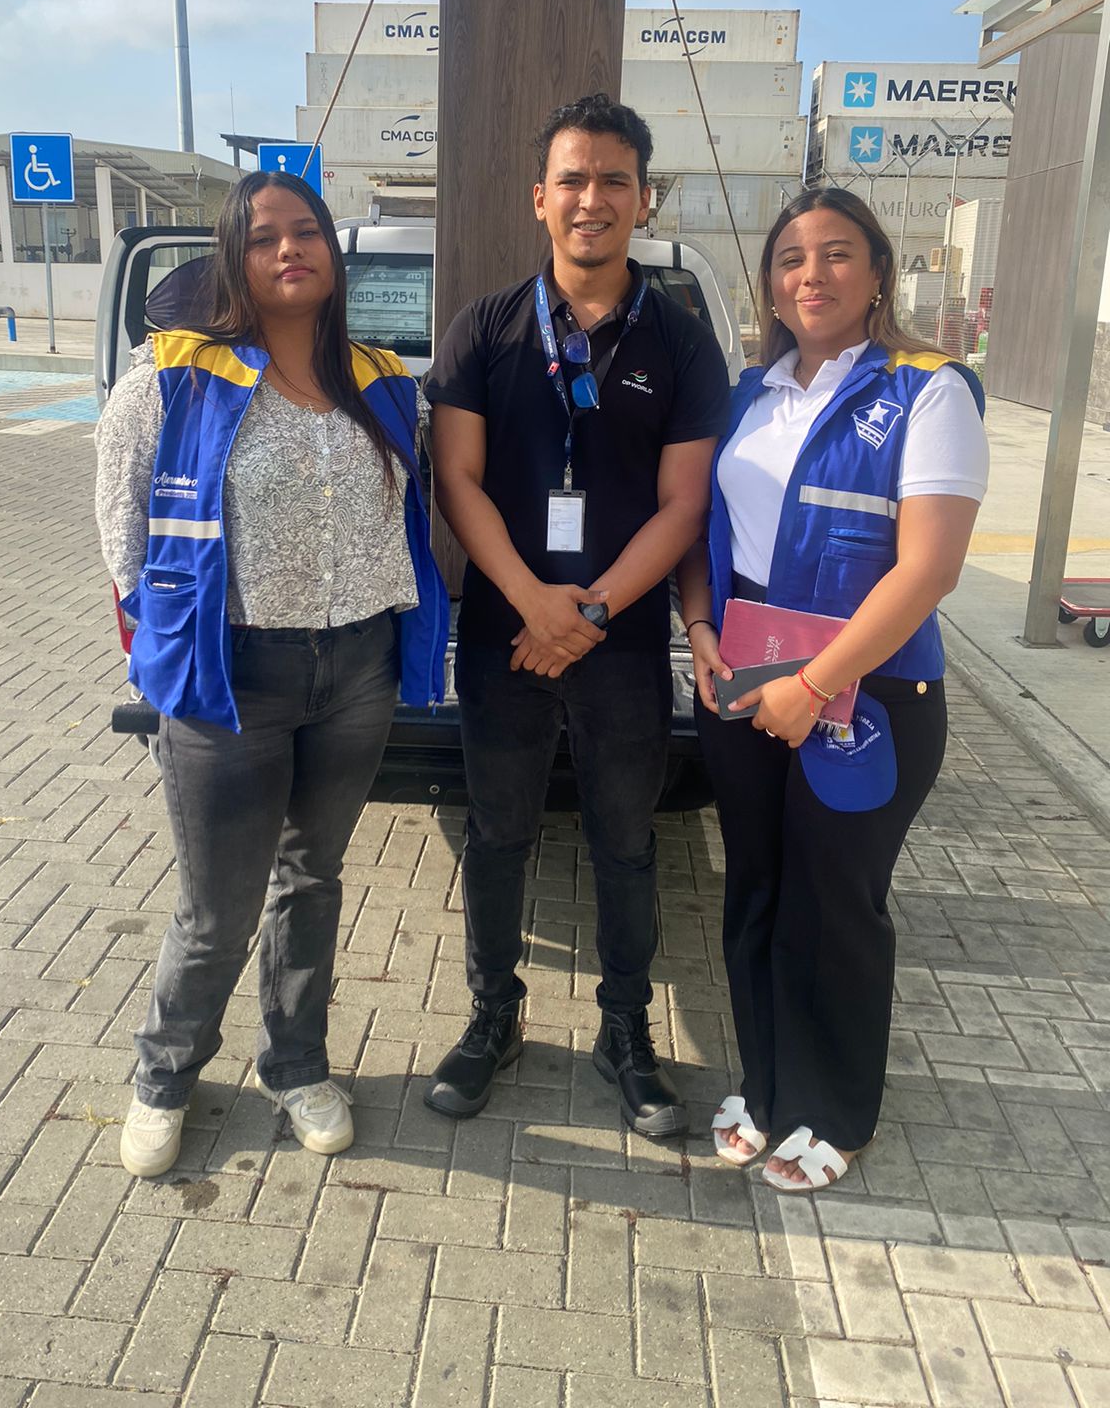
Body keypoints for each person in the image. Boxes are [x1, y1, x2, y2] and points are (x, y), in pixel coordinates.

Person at [95, 171, 447, 1178]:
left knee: (313, 879)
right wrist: (168, 639)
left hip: (358, 669)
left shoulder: (382, 380)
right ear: (233, 258)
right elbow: (124, 532)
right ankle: (164, 1076)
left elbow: (412, 509)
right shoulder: (172, 375)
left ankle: (296, 1064)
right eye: (262, 238)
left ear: (332, 251)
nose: (289, 249)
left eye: (306, 232)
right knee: (218, 908)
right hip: (232, 674)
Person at [423, 93, 730, 1137]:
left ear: (643, 199)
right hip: (505, 632)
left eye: (613, 180)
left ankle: (626, 1031)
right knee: (497, 834)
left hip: (624, 636)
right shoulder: (484, 328)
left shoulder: (681, 340)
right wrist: (532, 602)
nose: (591, 198)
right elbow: (457, 480)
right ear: (539, 198)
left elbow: (685, 504)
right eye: (572, 179)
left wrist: (589, 609)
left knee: (625, 842)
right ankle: (493, 1016)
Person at [677, 186, 988, 1193]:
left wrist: (814, 684)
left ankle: (838, 1111)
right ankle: (768, 1088)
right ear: (771, 286)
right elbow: (705, 533)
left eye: (837, 253)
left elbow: (929, 568)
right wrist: (699, 632)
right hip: (745, 677)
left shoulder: (930, 390)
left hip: (872, 696)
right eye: (791, 259)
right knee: (758, 891)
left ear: (879, 273)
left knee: (836, 903)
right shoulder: (748, 396)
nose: (812, 274)